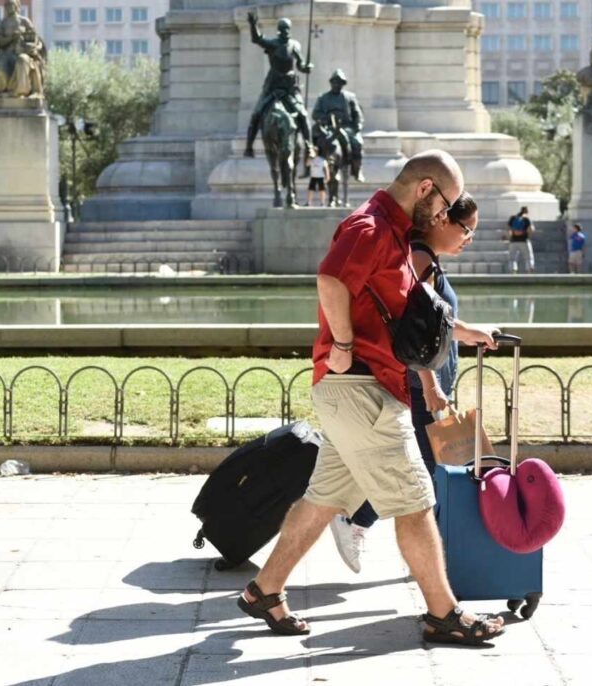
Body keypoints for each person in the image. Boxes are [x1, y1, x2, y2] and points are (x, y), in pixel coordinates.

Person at [237, 150, 506, 646]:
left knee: (324, 500)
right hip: (361, 388)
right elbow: (330, 279)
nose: (446, 218)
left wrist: (464, 331)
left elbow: (404, 312)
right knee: (417, 501)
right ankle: (442, 614)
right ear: (425, 189)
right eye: (446, 206)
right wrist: (340, 345)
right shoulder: (371, 227)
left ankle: (264, 591)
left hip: (361, 390)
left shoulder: (395, 234)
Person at [328, 192, 498, 572]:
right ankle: (360, 523)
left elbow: (440, 323)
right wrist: (431, 386)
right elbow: (415, 328)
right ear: (442, 221)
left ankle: (382, 532)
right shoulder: (420, 258)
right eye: (466, 230)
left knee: (424, 468)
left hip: (429, 384)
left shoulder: (428, 259)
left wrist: (472, 332)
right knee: (425, 470)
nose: (468, 239)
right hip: (421, 384)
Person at [244, 13, 314, 160]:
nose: (284, 32)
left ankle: (309, 145)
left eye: (286, 29)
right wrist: (253, 25)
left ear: (289, 30)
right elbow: (257, 39)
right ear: (278, 30)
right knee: (257, 114)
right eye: (282, 29)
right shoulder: (273, 44)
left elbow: (299, 63)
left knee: (302, 114)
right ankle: (249, 147)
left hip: (290, 87)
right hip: (273, 86)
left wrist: (306, 67)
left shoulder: (295, 45)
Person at [312, 69, 366, 182]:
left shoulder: (350, 97)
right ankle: (312, 166)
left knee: (357, 143)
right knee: (316, 141)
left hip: (346, 127)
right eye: (335, 82)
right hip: (328, 127)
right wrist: (326, 118)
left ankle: (357, 169)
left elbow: (357, 114)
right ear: (331, 83)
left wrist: (358, 126)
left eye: (339, 82)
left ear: (343, 84)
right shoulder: (323, 98)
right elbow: (315, 114)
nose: (337, 84)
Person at [507, 206, 535, 274]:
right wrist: (528, 235)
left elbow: (509, 229)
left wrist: (510, 237)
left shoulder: (513, 218)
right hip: (524, 240)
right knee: (528, 257)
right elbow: (531, 229)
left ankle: (513, 270)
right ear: (526, 211)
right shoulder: (526, 219)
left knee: (512, 258)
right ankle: (529, 270)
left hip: (513, 241)